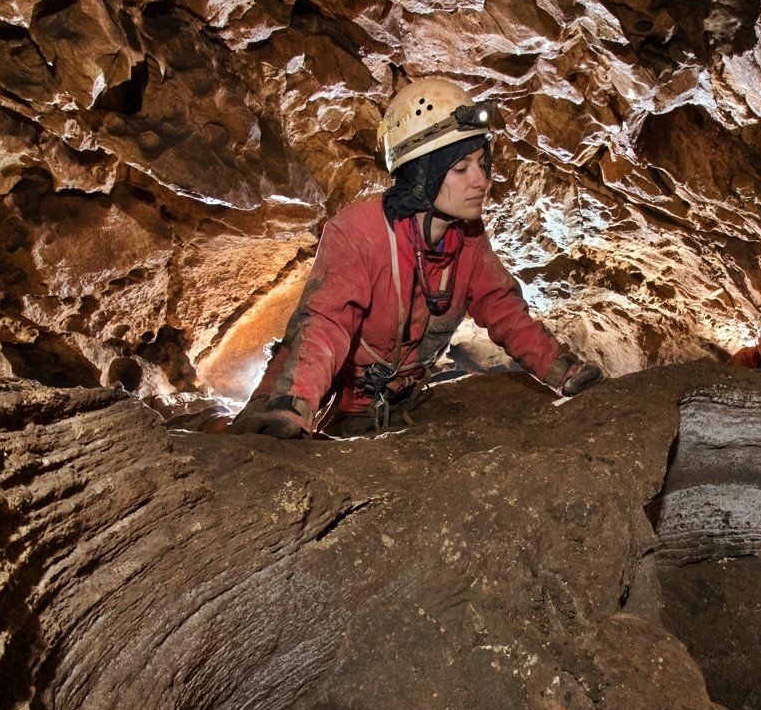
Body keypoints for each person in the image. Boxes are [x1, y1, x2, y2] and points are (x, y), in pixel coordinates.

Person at [227, 78, 603, 439]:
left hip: (389, 405)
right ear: (422, 175)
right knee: (246, 447)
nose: (481, 180)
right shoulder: (359, 233)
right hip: (305, 390)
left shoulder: (467, 239)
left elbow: (502, 309)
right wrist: (292, 406)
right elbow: (326, 324)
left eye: (481, 163)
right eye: (460, 169)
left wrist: (562, 372)